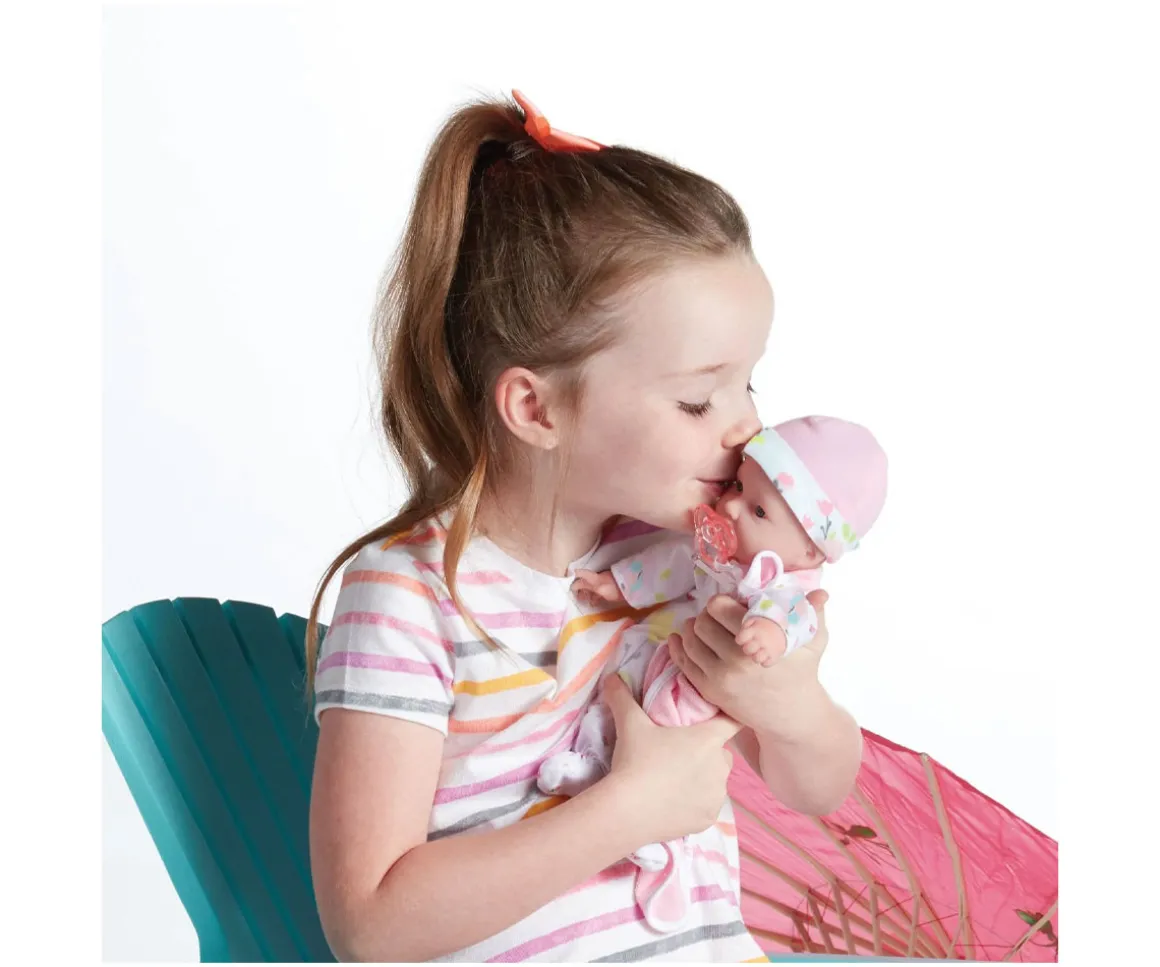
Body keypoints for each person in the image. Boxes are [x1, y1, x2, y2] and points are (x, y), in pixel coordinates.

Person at [305, 89, 863, 963]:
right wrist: (627, 811)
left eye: (748, 383)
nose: (747, 426)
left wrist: (793, 707)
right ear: (537, 408)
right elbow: (369, 927)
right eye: (698, 397)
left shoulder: (686, 564)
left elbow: (820, 789)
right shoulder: (410, 598)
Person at [538, 415, 887, 932]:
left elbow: (796, 616)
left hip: (702, 684)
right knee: (617, 692)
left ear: (811, 550)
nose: (732, 506)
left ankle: (659, 843)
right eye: (739, 486)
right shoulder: (710, 545)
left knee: (668, 722)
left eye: (758, 509)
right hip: (665, 650)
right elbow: (672, 566)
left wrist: (769, 633)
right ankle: (592, 763)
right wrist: (619, 584)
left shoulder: (784, 584)